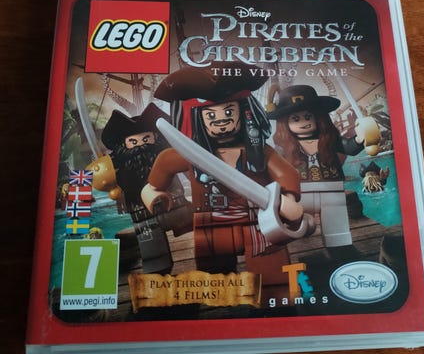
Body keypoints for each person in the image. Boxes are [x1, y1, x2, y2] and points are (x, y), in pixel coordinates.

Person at [141, 63, 304, 286]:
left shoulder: (259, 151)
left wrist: (290, 198)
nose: (221, 120)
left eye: (229, 111)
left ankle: (275, 297)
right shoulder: (188, 154)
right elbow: (154, 183)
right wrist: (153, 195)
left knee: (272, 277)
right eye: (210, 115)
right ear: (196, 119)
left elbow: (286, 173)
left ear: (244, 112)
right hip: (211, 224)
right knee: (216, 282)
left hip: (259, 222)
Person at [268, 84, 379, 247]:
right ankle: (300, 245)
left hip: (332, 189)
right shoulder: (283, 148)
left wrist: (359, 138)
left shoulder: (329, 140)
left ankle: (338, 244)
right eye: (295, 119)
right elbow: (275, 169)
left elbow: (349, 148)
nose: (304, 122)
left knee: (336, 226)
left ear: (318, 117)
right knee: (297, 226)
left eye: (308, 116)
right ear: (285, 123)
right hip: (299, 192)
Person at [89, 103, 192, 273]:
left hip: (176, 204)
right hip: (141, 212)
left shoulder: (167, 154)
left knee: (199, 221)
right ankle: (157, 268)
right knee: (151, 245)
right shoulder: (120, 163)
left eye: (146, 139)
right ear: (124, 144)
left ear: (155, 137)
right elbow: (102, 177)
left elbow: (187, 166)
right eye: (133, 142)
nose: (140, 145)